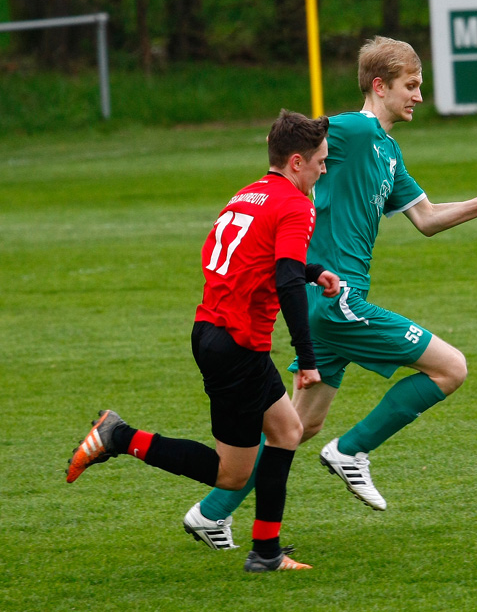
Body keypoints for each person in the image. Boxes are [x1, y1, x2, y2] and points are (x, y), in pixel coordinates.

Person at [184, 36, 477, 548]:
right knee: (450, 367)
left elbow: (427, 220)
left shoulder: (388, 151)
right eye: (410, 86)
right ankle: (354, 451)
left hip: (327, 308)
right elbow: (287, 145)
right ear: (379, 85)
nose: (417, 96)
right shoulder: (350, 130)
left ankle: (211, 514)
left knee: (295, 430)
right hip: (337, 299)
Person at [66, 110, 340, 573]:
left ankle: (266, 552)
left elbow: (259, 261)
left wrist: (313, 271)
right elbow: (287, 283)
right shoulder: (296, 204)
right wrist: (307, 357)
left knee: (288, 431)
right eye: (320, 161)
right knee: (230, 472)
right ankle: (120, 436)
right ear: (297, 162)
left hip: (213, 332)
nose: (324, 169)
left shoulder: (248, 194)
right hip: (237, 344)